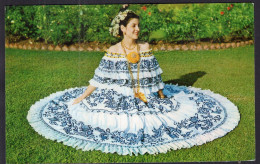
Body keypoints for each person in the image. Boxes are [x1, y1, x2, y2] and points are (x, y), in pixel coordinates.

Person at [27, 8, 240, 156]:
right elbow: (99, 80)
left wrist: (162, 95)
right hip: (117, 97)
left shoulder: (145, 48)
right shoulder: (112, 51)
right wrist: (83, 96)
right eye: (134, 26)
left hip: (144, 94)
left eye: (138, 26)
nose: (137, 29)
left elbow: (154, 76)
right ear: (123, 28)